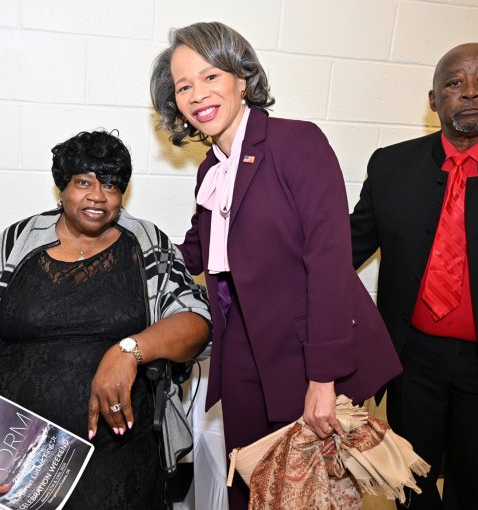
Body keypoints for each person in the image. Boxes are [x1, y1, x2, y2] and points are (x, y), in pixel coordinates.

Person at [150, 22, 401, 509]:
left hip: (304, 349)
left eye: (210, 76)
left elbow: (328, 261)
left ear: (241, 78)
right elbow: (197, 250)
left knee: (309, 495)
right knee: (251, 481)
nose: (197, 94)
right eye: (183, 86)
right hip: (241, 348)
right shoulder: (211, 169)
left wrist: (323, 379)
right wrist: (126, 252)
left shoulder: (296, 143)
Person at [0, 130, 211, 510]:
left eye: (110, 184)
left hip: (111, 444)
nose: (97, 195)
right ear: (62, 188)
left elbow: (196, 321)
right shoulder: (20, 241)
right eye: (83, 182)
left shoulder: (146, 243)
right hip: (4, 438)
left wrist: (128, 351)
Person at [350, 42, 478, 509]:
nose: (470, 92)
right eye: (454, 83)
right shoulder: (390, 165)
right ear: (433, 99)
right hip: (412, 361)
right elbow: (343, 250)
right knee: (409, 482)